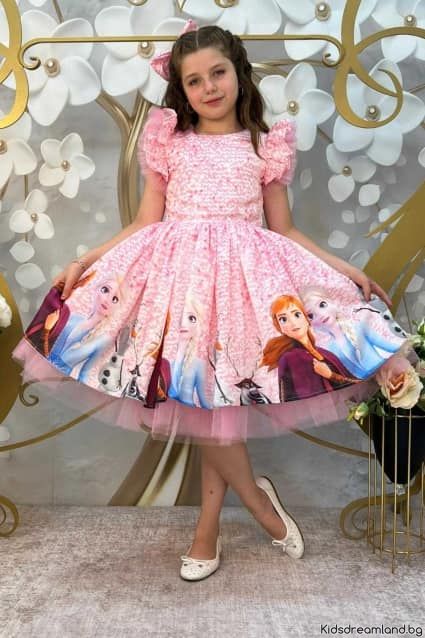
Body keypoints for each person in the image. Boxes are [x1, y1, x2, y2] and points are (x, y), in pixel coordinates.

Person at [12, 20, 416, 582]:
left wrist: (344, 270)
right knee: (202, 403)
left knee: (216, 407)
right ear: (182, 88)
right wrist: (87, 260)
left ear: (238, 73)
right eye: (195, 80)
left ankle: (210, 529)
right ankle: (253, 504)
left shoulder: (263, 145)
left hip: (244, 288)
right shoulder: (170, 142)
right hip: (181, 288)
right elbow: (144, 222)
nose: (209, 88)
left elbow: (285, 230)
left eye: (218, 73)